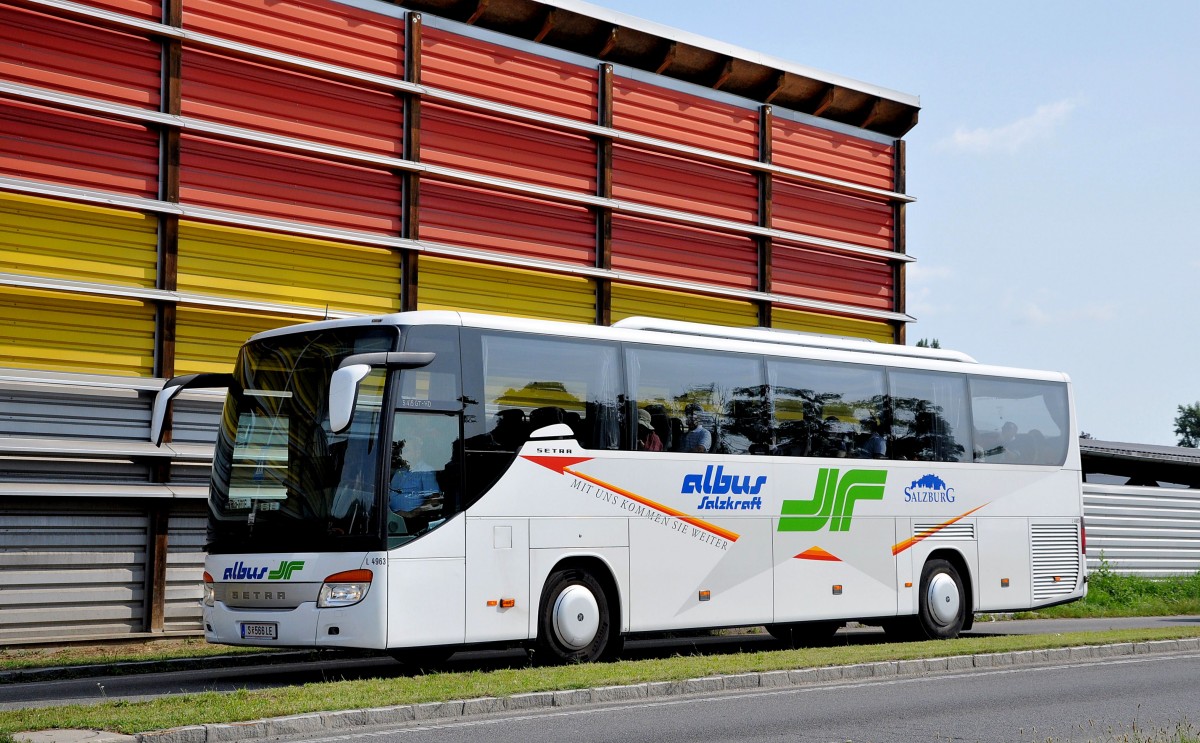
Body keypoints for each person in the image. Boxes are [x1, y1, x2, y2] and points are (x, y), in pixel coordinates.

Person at [389, 437, 441, 515]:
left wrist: (412, 513)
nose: (401, 454)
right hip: (389, 515)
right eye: (401, 451)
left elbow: (434, 500)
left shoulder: (425, 471)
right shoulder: (400, 471)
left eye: (406, 450)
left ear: (417, 452)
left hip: (412, 520)